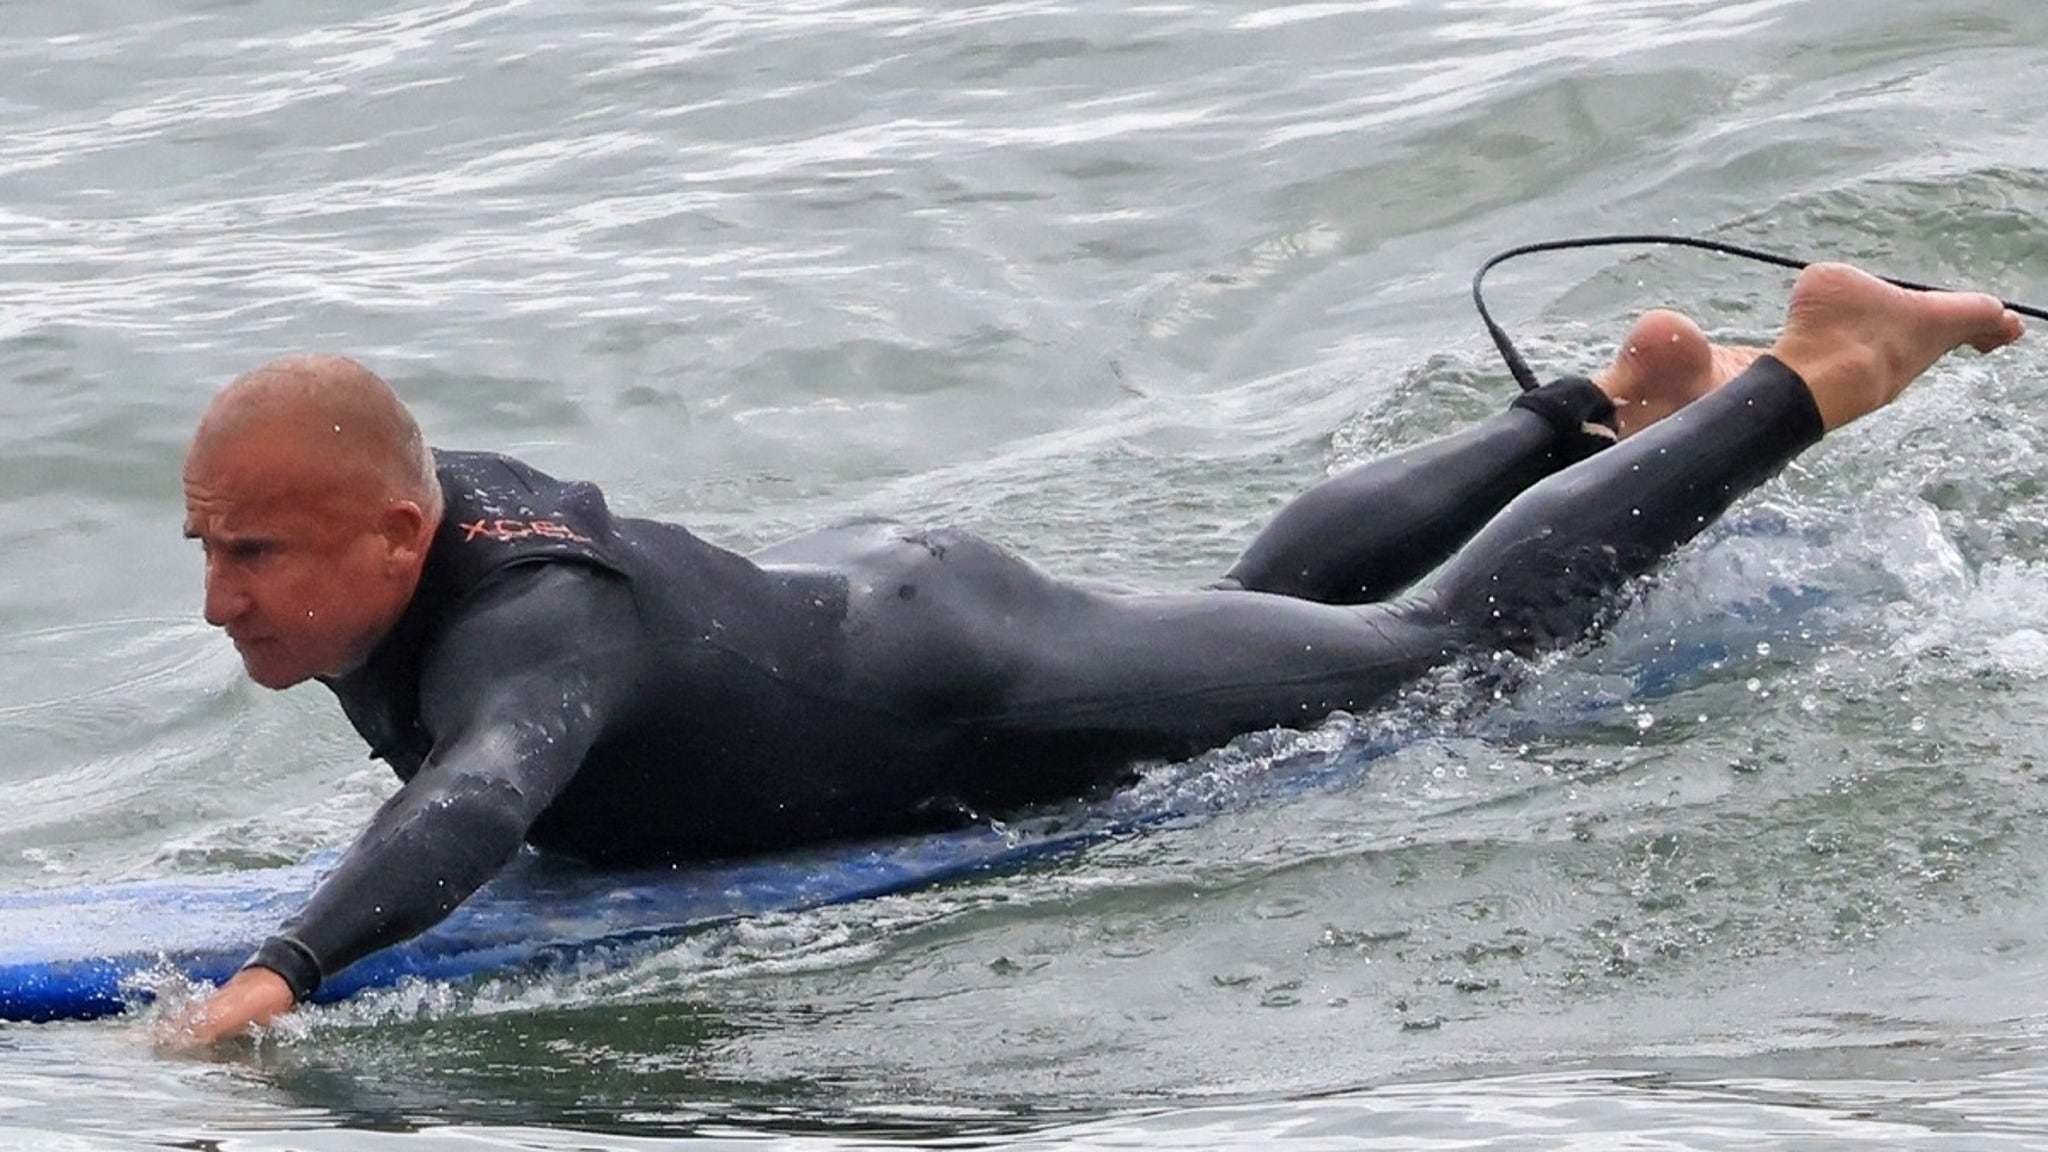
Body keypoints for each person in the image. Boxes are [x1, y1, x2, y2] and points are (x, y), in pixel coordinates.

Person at [166, 264, 2024, 1046]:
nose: (223, 597)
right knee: (1252, 608)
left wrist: (278, 976)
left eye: (255, 555)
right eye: (205, 549)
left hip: (961, 682)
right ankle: (1603, 411)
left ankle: (1828, 364)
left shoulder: (529, 627)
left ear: (401, 536)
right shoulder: (412, 520)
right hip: (891, 613)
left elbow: (488, 790)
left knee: (1447, 652)